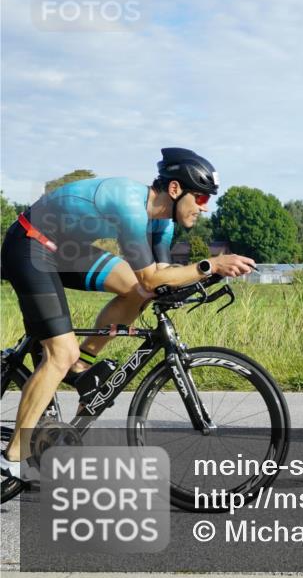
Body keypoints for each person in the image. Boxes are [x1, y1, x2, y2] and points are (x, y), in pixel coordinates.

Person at [0, 148, 256, 480]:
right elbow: (152, 277)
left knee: (138, 292)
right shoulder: (131, 207)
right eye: (202, 197)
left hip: (63, 250)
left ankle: (81, 369)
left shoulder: (163, 224)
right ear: (175, 190)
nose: (205, 207)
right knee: (60, 353)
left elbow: (160, 279)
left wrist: (206, 277)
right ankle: (13, 458)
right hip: (30, 246)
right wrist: (211, 264)